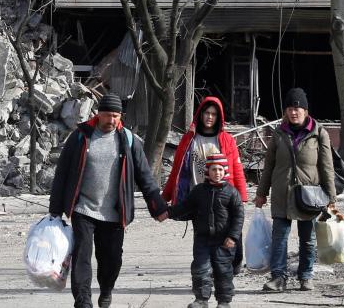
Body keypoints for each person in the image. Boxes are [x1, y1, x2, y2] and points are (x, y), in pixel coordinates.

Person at [49, 93, 169, 308]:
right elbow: (62, 173)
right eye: (107, 115)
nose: (111, 120)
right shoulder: (81, 136)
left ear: (120, 116)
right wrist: (55, 210)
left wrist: (158, 207)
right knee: (81, 256)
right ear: (98, 114)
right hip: (83, 208)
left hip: (115, 212)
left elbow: (145, 177)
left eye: (115, 116)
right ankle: (83, 301)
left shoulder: (128, 140)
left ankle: (106, 289)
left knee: (111, 260)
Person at [254, 88, 336, 293]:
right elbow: (269, 165)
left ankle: (305, 276)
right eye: (290, 108)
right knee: (279, 238)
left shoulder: (319, 133)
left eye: (297, 108)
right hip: (282, 193)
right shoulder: (278, 133)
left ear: (305, 111)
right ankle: (278, 278)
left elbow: (327, 167)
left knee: (308, 239)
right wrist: (261, 193)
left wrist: (331, 197)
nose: (293, 112)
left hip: (309, 195)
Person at [169, 154, 244, 308]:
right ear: (207, 171)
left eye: (220, 169)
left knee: (223, 271)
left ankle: (224, 301)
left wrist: (233, 237)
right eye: (214, 169)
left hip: (224, 241)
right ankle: (201, 299)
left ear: (225, 171)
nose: (217, 173)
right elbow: (184, 207)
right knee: (200, 268)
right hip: (202, 239)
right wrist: (166, 212)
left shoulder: (232, 192)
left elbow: (239, 217)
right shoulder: (199, 191)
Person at [163, 96, 250, 207]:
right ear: (201, 114)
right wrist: (165, 197)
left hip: (219, 200)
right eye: (207, 113)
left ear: (219, 117)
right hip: (193, 198)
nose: (210, 117)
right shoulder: (188, 139)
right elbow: (176, 170)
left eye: (214, 114)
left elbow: (237, 170)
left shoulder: (227, 140)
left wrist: (242, 197)